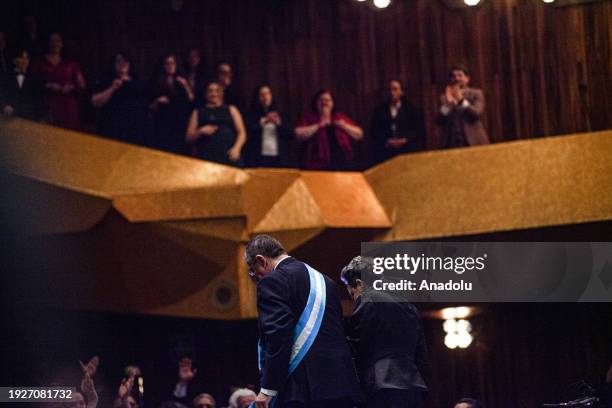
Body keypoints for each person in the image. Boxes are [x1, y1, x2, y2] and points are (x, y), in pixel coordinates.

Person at [244, 234, 361, 408]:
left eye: (253, 271)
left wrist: (268, 388)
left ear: (261, 261)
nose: (255, 278)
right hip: (341, 384)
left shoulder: (272, 281)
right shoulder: (327, 282)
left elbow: (277, 335)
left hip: (303, 389)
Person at [341, 256, 427, 408]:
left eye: (351, 292)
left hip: (381, 384)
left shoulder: (369, 298)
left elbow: (358, 345)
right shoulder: (408, 305)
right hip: (414, 386)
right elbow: (421, 354)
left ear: (360, 284)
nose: (354, 298)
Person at [295, 90, 363, 171]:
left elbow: (359, 135)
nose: (324, 103)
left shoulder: (339, 117)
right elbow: (298, 135)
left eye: (327, 100)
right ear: (315, 103)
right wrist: (318, 125)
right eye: (321, 100)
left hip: (342, 162)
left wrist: (344, 126)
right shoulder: (308, 117)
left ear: (332, 103)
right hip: (316, 165)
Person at [91, 52, 150, 145]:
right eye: (119, 61)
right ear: (114, 64)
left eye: (125, 61)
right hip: (112, 128)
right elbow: (95, 102)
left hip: (134, 130)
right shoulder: (106, 79)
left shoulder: (137, 81)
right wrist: (113, 88)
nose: (122, 64)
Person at [31, 32, 86, 130]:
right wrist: (48, 86)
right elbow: (32, 82)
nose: (55, 43)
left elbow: (82, 84)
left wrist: (71, 87)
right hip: (47, 105)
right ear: (48, 43)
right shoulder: (39, 62)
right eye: (52, 41)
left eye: (58, 41)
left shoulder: (70, 63)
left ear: (62, 43)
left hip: (68, 106)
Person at [185, 81, 246, 167]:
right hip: (206, 158)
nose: (214, 94)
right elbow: (188, 137)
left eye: (217, 91)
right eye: (210, 91)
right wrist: (200, 131)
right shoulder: (198, 111)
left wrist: (237, 148)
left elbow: (242, 133)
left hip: (229, 156)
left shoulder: (231, 109)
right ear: (205, 94)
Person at [149, 53, 194, 154]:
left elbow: (191, 100)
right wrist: (158, 101)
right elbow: (150, 106)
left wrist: (185, 85)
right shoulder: (156, 81)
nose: (170, 66)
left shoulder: (181, 80)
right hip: (162, 121)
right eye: (167, 63)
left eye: (172, 63)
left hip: (179, 121)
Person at [370, 79, 422, 164]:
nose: (392, 92)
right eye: (390, 89)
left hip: (406, 151)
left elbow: (416, 129)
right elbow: (375, 130)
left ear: (401, 92)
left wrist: (405, 140)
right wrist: (387, 141)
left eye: (395, 89)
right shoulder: (380, 110)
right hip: (386, 152)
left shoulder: (410, 109)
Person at [437, 66, 489, 148]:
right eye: (453, 76)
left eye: (460, 75)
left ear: (467, 78)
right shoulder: (444, 97)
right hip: (451, 143)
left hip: (473, 142)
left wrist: (461, 100)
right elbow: (438, 121)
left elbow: (476, 114)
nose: (456, 78)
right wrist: (447, 104)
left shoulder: (476, 93)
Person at [245, 85, 290, 167]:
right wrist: (264, 122)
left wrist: (279, 124)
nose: (265, 97)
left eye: (267, 93)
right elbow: (248, 131)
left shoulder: (280, 112)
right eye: (262, 94)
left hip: (278, 156)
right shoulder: (251, 114)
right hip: (259, 156)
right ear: (257, 97)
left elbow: (289, 133)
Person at [0, 49, 42, 120]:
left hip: (29, 119)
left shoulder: (34, 79)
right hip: (9, 118)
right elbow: (2, 95)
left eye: (26, 58)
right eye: (22, 58)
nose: (24, 61)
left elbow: (38, 100)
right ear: (14, 60)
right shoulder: (6, 77)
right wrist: (5, 106)